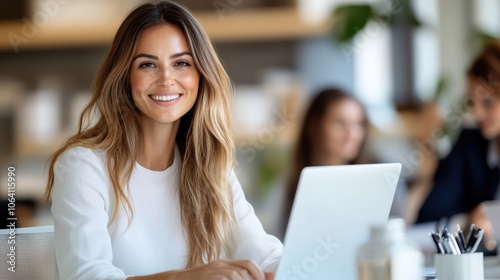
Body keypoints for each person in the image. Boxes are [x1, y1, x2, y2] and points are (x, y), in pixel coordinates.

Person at [44, 2, 282, 279]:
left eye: (181, 63)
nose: (166, 78)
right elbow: (86, 275)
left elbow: (264, 254)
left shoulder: (210, 167)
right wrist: (187, 277)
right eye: (147, 65)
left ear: (200, 75)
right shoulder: (83, 166)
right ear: (125, 77)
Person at [281, 88, 406, 235]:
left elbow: (396, 231)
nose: (351, 134)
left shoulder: (382, 175)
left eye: (358, 124)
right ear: (314, 126)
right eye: (340, 124)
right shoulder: (293, 181)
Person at [416, 40, 500, 247]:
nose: (476, 113)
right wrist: (467, 222)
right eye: (472, 102)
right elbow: (427, 219)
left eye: (488, 103)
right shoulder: (468, 146)